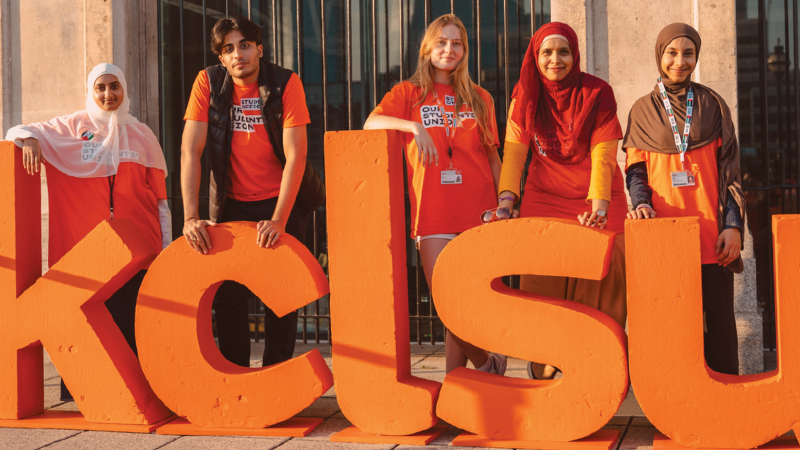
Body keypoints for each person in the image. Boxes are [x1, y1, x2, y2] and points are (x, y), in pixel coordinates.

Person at [5, 63, 171, 401]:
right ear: (91, 92)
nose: (108, 94)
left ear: (124, 90)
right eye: (101, 87)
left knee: (129, 320)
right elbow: (15, 130)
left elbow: (161, 202)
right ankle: (80, 392)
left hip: (138, 250)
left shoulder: (142, 134)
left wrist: (165, 250)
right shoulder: (70, 127)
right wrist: (31, 140)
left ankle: (135, 393)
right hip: (83, 252)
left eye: (114, 87)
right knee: (84, 324)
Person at [363, 14, 506, 375]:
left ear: (465, 51)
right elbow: (371, 123)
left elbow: (491, 154)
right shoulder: (408, 93)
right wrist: (413, 125)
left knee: (469, 303)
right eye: (442, 42)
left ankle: (456, 384)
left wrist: (505, 202)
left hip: (480, 212)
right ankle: (488, 363)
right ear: (428, 48)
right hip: (434, 213)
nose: (449, 49)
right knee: (446, 302)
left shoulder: (480, 97)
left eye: (456, 43)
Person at [496, 22, 628, 380]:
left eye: (564, 51)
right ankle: (544, 358)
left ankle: (593, 359)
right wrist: (506, 200)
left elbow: (604, 156)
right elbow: (514, 152)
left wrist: (598, 207)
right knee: (541, 274)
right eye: (547, 52)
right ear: (535, 57)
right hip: (546, 196)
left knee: (604, 268)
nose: (556, 59)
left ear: (575, 55)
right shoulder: (525, 94)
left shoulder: (597, 92)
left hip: (598, 199)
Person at [182, 14, 315, 368]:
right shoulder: (208, 83)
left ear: (259, 48)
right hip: (230, 202)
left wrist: (279, 220)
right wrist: (191, 217)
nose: (238, 53)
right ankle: (236, 373)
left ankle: (276, 372)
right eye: (229, 48)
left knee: (282, 295)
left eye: (244, 45)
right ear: (221, 58)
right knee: (228, 295)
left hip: (279, 201)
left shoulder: (285, 83)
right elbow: (190, 151)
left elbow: (296, 155)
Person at [623, 23, 744, 375]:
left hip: (713, 238)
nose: (680, 61)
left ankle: (725, 407)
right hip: (665, 237)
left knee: (720, 328)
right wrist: (641, 203)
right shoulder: (642, 110)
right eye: (672, 53)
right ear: (660, 55)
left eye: (688, 53)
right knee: (672, 330)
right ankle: (678, 408)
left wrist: (733, 226)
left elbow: (731, 175)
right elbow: (636, 172)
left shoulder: (713, 105)